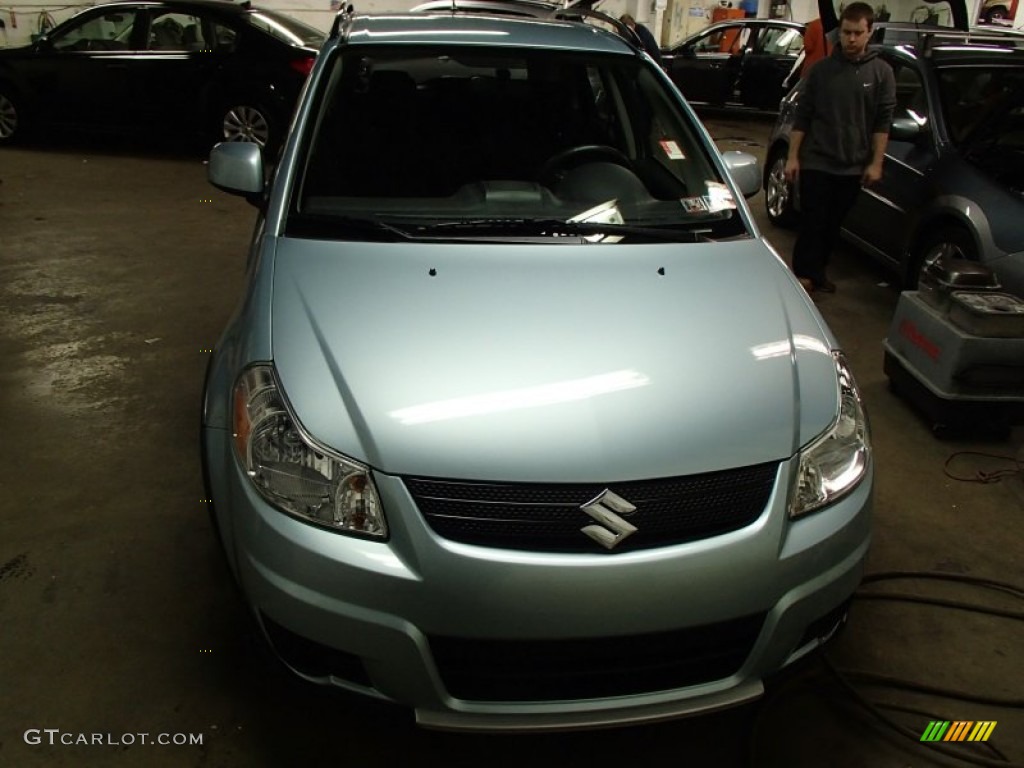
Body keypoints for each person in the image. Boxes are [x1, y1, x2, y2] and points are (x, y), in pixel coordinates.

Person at [785, 2, 895, 294]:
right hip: (817, 162)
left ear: (870, 32)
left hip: (852, 166)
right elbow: (803, 116)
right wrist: (793, 157)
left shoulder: (882, 73)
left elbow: (882, 123)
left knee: (833, 226)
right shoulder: (822, 71)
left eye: (858, 33)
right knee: (812, 223)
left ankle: (818, 273)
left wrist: (876, 163)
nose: (851, 39)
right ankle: (803, 276)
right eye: (847, 32)